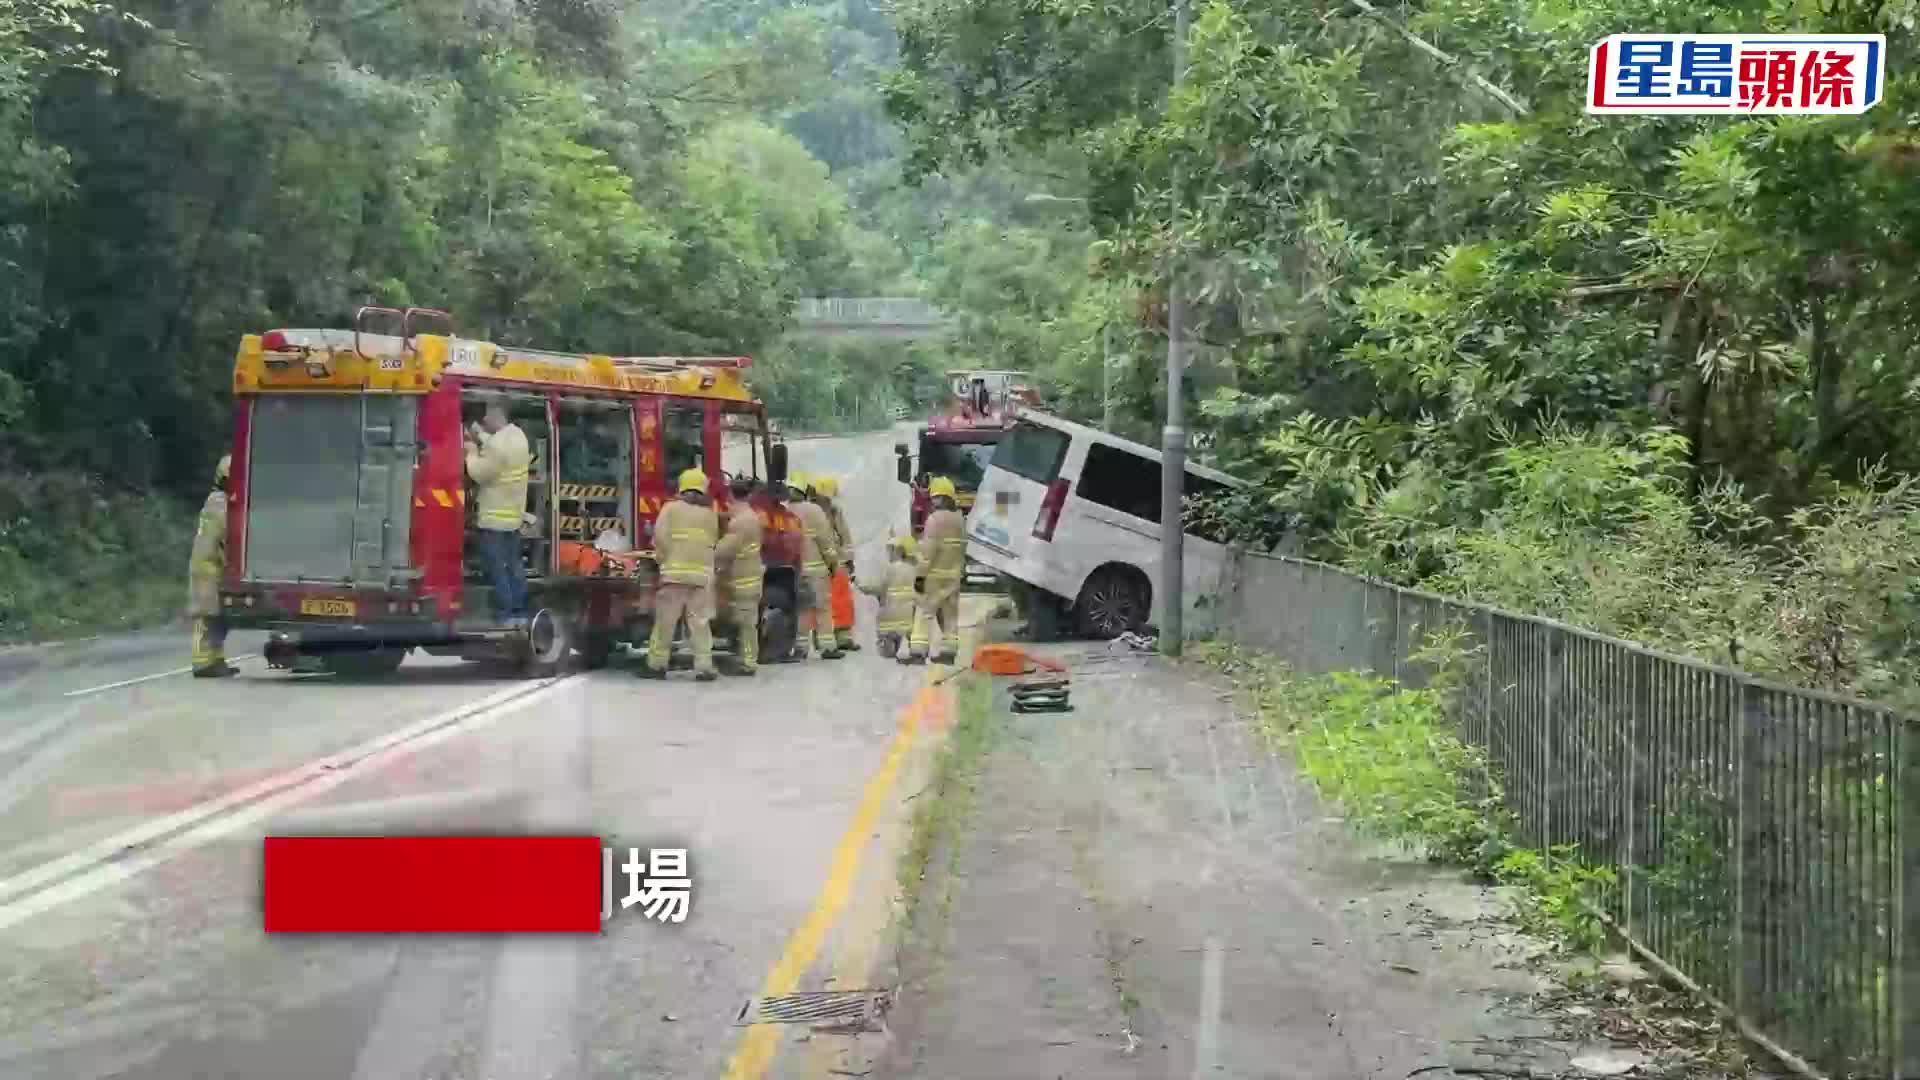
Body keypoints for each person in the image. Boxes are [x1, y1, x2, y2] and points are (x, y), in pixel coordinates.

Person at [641, 468, 719, 681]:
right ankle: (704, 666)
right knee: (700, 624)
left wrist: (661, 559)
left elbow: (660, 537)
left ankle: (657, 665)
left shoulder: (670, 509)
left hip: (674, 575)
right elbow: (713, 542)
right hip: (701, 577)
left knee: (665, 622)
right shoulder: (710, 515)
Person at [464, 402, 532, 623]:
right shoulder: (518, 436)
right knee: (513, 565)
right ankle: (520, 611)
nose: (484, 421)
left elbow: (478, 473)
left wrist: (471, 452)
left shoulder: (497, 445)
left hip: (494, 519)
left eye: (486, 417)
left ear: (496, 415)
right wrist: (480, 435)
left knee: (496, 567)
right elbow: (498, 448)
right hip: (512, 517)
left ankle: (505, 611)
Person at [903, 475, 966, 665]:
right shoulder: (959, 519)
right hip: (953, 576)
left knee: (924, 613)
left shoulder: (935, 519)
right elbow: (962, 548)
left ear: (939, 498)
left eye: (934, 497)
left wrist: (920, 576)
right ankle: (949, 653)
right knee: (950, 616)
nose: (932, 500)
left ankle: (918, 652)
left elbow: (927, 552)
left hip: (934, 577)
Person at [188, 454, 238, 678]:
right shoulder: (220, 502)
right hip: (209, 566)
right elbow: (226, 534)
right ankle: (202, 663)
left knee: (217, 617)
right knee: (207, 616)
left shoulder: (218, 500)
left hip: (210, 564)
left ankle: (216, 660)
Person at [713, 474, 764, 676]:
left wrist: (708, 551)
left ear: (732, 495)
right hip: (750, 578)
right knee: (748, 623)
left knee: (746, 625)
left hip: (743, 581)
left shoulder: (740, 521)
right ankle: (748, 660)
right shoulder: (751, 516)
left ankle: (749, 664)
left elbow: (725, 550)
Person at [789, 473, 843, 660]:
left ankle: (801, 648)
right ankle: (827, 647)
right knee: (822, 608)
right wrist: (833, 563)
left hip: (795, 571)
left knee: (802, 609)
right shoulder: (814, 511)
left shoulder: (784, 509)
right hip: (817, 570)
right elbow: (825, 541)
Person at [815, 475, 860, 652]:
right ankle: (822, 637)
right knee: (819, 602)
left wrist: (848, 559)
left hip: (837, 562)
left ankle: (843, 637)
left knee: (842, 601)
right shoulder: (812, 512)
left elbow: (845, 536)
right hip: (818, 563)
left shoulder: (834, 512)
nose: (827, 500)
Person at [858, 533, 920, 659]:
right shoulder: (915, 570)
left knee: (886, 636)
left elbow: (877, 588)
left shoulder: (889, 569)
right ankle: (913, 643)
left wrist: (861, 586)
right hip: (908, 616)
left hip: (888, 616)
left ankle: (887, 642)